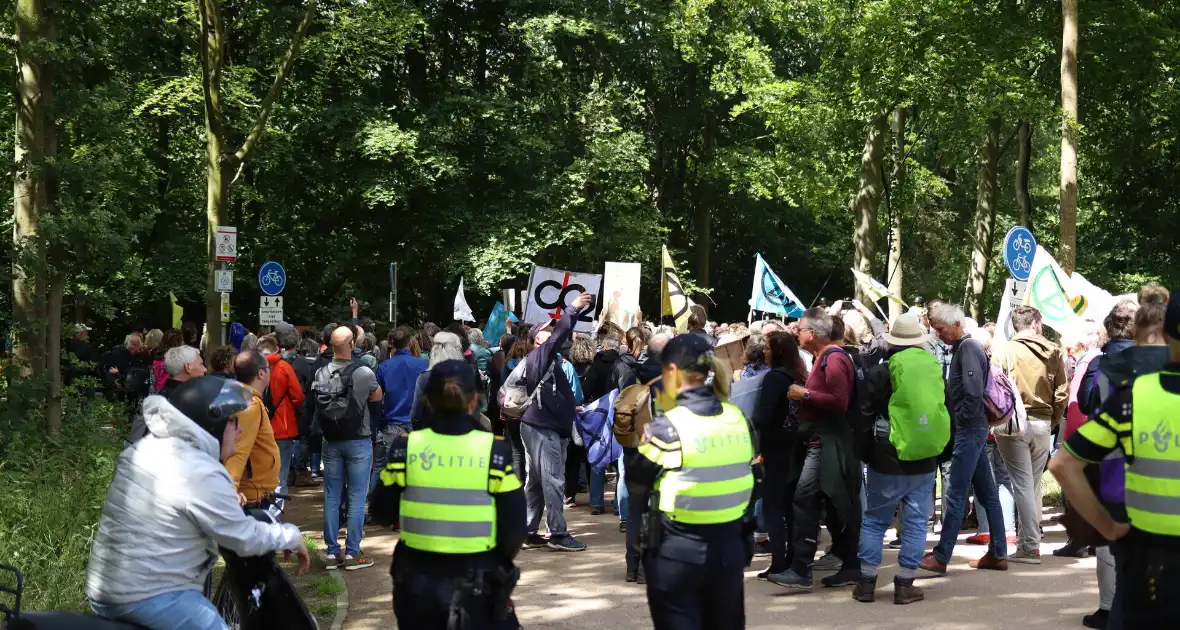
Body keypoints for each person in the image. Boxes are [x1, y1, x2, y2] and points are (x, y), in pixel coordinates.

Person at [86, 377, 309, 630]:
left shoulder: (143, 450)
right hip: (153, 594)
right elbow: (242, 536)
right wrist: (289, 535)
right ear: (212, 424)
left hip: (107, 589)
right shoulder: (199, 469)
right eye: (233, 421)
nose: (240, 430)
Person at [1051, 287, 1180, 628]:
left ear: (1166, 334)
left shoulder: (1133, 398)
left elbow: (1062, 464)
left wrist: (1105, 525)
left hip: (1146, 557)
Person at [369, 360, 526, 629]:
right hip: (476, 584)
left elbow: (381, 512)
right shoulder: (494, 451)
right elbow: (514, 529)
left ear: (428, 400)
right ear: (474, 400)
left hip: (417, 584)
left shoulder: (406, 449)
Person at [626, 334, 754, 629]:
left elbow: (636, 480)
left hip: (679, 553)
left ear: (670, 372)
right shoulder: (738, 418)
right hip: (729, 550)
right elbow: (751, 476)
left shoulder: (668, 428)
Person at [854, 314, 950, 604]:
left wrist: (866, 454)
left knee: (874, 521)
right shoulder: (933, 369)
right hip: (923, 455)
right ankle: (905, 584)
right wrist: (941, 452)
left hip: (887, 454)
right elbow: (945, 411)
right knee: (917, 521)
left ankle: (867, 583)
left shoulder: (880, 372)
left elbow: (863, 418)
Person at [767, 308, 863, 590]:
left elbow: (838, 401)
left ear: (813, 334)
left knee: (805, 499)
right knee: (833, 505)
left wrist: (803, 393)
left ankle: (801, 570)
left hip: (826, 443)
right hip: (822, 441)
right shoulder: (827, 358)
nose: (796, 332)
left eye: (800, 328)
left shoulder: (833, 360)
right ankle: (850, 565)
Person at [920, 303, 1008, 573]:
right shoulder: (967, 348)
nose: (939, 334)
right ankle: (998, 552)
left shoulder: (968, 348)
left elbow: (971, 393)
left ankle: (942, 556)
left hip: (969, 429)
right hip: (974, 428)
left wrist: (957, 424)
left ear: (957, 324)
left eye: (941, 329)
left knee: (956, 492)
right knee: (987, 492)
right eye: (935, 329)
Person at [992, 306, 1068, 564]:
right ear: (1035, 323)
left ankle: (1030, 547)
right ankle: (1027, 544)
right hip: (1043, 422)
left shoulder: (1004, 350)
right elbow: (1062, 393)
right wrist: (1053, 419)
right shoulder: (1054, 350)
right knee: (1031, 484)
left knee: (1023, 484)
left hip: (1013, 422)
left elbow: (992, 388)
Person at [520, 292, 594, 552]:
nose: (552, 334)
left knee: (538, 483)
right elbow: (560, 335)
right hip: (543, 429)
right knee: (552, 480)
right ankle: (558, 534)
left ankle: (528, 531)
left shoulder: (548, 360)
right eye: (547, 332)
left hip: (540, 427)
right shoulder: (541, 356)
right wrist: (572, 309)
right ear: (536, 339)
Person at [314, 326, 383, 571]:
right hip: (358, 440)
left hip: (330, 441)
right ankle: (353, 553)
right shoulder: (364, 372)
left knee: (331, 496)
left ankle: (332, 553)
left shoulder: (321, 372)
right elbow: (377, 398)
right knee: (356, 497)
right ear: (352, 344)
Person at [751, 331, 809, 579]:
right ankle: (793, 557)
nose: (764, 352)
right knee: (790, 506)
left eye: (767, 349)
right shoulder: (798, 374)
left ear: (778, 352)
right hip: (796, 447)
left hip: (775, 448)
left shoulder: (774, 378)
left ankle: (778, 561)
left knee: (773, 506)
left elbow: (763, 416)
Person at [373, 327, 428, 502]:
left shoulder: (383, 367)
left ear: (391, 344)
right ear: (411, 343)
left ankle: (380, 507)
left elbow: (377, 397)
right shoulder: (422, 364)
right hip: (416, 424)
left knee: (387, 467)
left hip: (391, 423)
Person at [223, 350, 283, 506]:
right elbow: (238, 451)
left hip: (256, 492)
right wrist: (229, 493)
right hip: (252, 496)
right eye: (269, 367)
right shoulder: (249, 404)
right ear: (261, 373)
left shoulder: (241, 396)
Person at [256, 337, 305, 496]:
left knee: (260, 472)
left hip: (257, 425)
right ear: (276, 349)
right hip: (283, 425)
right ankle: (275, 514)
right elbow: (298, 396)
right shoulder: (284, 367)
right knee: (280, 474)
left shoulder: (253, 367)